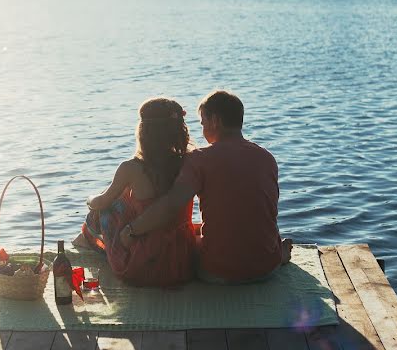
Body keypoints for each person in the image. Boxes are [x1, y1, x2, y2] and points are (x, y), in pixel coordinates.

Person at [119, 90, 292, 284]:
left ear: (215, 121)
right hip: (267, 268)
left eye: (203, 122)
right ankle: (279, 253)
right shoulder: (266, 157)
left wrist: (132, 229)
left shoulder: (200, 159)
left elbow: (171, 205)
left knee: (186, 244)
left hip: (218, 271)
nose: (201, 129)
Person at [76, 97, 196, 287]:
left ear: (143, 132)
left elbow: (101, 202)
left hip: (145, 263)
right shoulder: (190, 162)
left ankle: (90, 244)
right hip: (183, 260)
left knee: (104, 210)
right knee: (123, 200)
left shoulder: (131, 168)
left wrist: (89, 199)